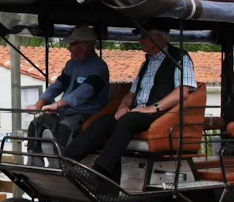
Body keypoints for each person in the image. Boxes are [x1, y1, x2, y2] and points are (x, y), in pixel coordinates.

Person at [64, 27, 196, 186]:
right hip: (137, 112)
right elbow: (131, 93)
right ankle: (66, 160)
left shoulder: (180, 58)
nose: (140, 40)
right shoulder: (146, 63)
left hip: (163, 114)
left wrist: (153, 107)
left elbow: (182, 92)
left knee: (128, 120)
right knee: (103, 122)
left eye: (144, 37)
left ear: (160, 38)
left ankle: (101, 170)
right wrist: (123, 106)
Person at [25, 25, 110, 166]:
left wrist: (58, 104)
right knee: (36, 123)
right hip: (65, 112)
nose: (69, 49)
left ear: (83, 46)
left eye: (72, 44)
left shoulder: (99, 67)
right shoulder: (71, 65)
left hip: (85, 115)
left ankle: (62, 165)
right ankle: (34, 163)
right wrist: (39, 104)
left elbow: (85, 91)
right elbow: (58, 85)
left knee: (65, 127)